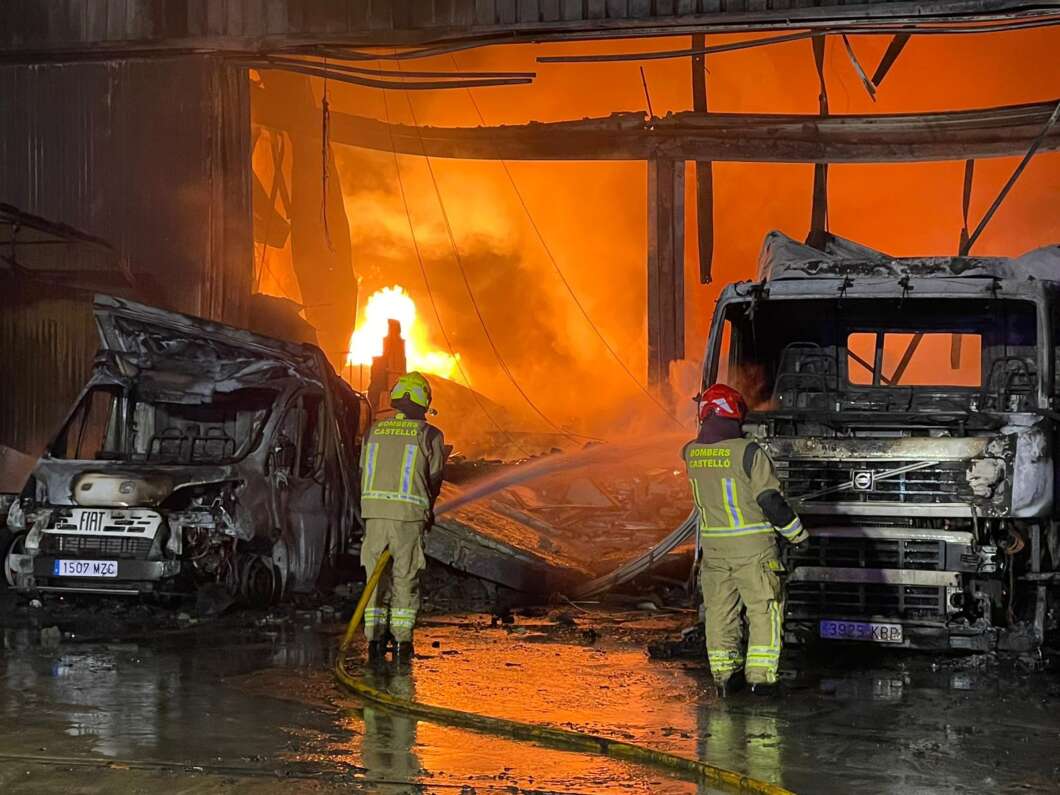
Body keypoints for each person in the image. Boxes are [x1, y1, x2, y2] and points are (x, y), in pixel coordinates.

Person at [683, 383, 808, 697]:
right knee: (764, 609)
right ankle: (761, 680)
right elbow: (771, 501)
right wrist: (798, 535)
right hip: (752, 550)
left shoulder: (691, 454)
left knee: (719, 613)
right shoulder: (748, 452)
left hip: (713, 552)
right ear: (731, 411)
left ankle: (725, 677)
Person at [359, 371, 445, 662]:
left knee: (374, 578)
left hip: (373, 515)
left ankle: (373, 641)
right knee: (404, 578)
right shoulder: (429, 434)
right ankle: (400, 645)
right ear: (424, 402)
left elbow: (360, 472)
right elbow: (434, 477)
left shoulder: (374, 431)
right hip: (407, 517)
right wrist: (428, 508)